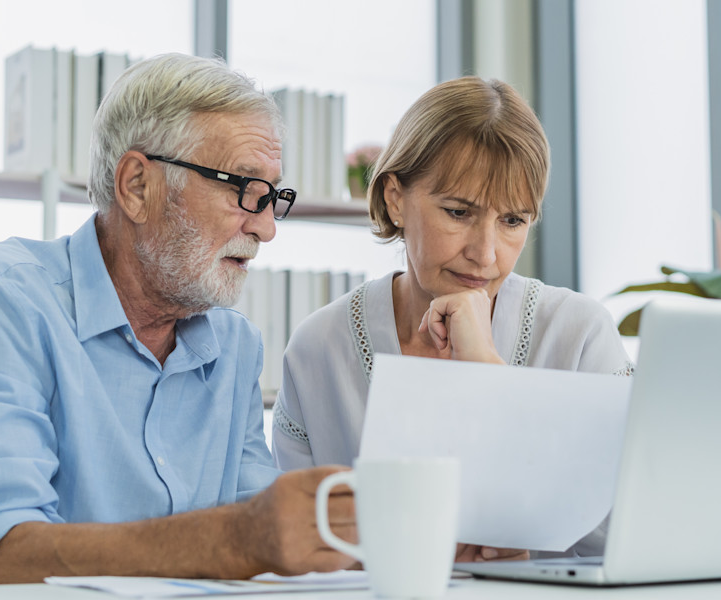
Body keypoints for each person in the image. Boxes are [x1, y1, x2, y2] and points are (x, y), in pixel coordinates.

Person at [0, 53, 357, 588]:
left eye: (271, 197)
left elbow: (265, 533)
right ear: (138, 186)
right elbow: (2, 555)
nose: (265, 228)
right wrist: (234, 540)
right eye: (243, 188)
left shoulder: (234, 345)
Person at [271, 76, 634, 559]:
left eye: (513, 221)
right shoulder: (320, 346)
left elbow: (630, 533)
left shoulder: (579, 334)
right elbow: (294, 541)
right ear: (395, 199)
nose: (486, 255)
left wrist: (484, 366)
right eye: (460, 213)